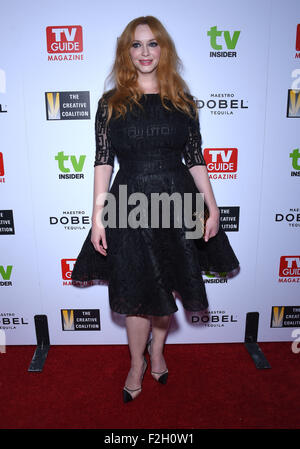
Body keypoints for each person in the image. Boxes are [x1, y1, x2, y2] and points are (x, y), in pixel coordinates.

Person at [71, 15, 239, 403]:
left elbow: (196, 159)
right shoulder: (110, 104)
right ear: (125, 51)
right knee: (134, 289)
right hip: (128, 205)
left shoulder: (182, 101)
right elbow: (102, 162)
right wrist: (97, 217)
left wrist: (212, 208)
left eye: (152, 44)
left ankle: (158, 353)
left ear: (163, 50)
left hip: (176, 203)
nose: (144, 52)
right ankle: (136, 363)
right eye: (136, 44)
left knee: (164, 286)